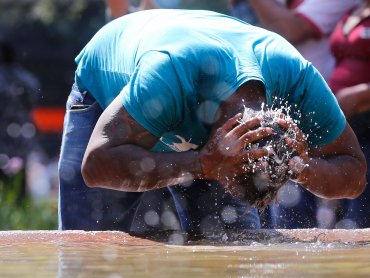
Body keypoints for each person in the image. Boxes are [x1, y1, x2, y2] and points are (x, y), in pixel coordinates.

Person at [58, 9, 366, 236]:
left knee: (237, 247)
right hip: (106, 82)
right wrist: (203, 165)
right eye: (227, 180)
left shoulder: (298, 82)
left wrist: (301, 165)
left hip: (204, 122)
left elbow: (354, 173)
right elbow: (95, 164)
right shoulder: (169, 73)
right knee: (89, 246)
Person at [241, 0, 359, 228]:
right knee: (281, 210)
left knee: (349, 209)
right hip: (287, 105)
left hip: (319, 109)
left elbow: (289, 29)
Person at [328, 0, 370, 228]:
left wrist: (360, 94)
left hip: (367, 120)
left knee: (360, 214)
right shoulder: (351, 11)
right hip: (345, 122)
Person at [0, 39, 40, 200]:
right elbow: (33, 99)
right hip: (20, 133)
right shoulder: (26, 78)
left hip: (2, 135)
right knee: (19, 177)